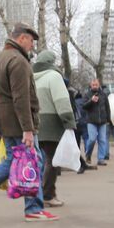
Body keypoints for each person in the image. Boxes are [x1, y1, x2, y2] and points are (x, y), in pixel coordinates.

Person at [0, 24, 56, 222]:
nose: (32, 46)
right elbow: (21, 98)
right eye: (31, 41)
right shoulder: (18, 61)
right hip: (18, 123)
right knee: (33, 161)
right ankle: (32, 208)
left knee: (17, 160)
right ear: (22, 38)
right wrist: (28, 129)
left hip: (4, 121)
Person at [32, 48, 75, 208]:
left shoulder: (32, 78)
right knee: (53, 160)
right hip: (51, 124)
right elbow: (62, 100)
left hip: (36, 122)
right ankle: (48, 194)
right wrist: (69, 121)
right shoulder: (54, 76)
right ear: (51, 62)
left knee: (43, 160)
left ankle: (42, 193)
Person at [82, 79, 111, 167]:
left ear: (99, 85)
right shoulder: (87, 95)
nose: (95, 86)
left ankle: (101, 159)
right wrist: (91, 101)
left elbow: (107, 107)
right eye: (93, 85)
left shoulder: (103, 95)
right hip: (91, 121)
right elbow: (84, 106)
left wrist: (108, 119)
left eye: (96, 85)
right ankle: (88, 154)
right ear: (91, 85)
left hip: (102, 121)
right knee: (92, 139)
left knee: (102, 140)